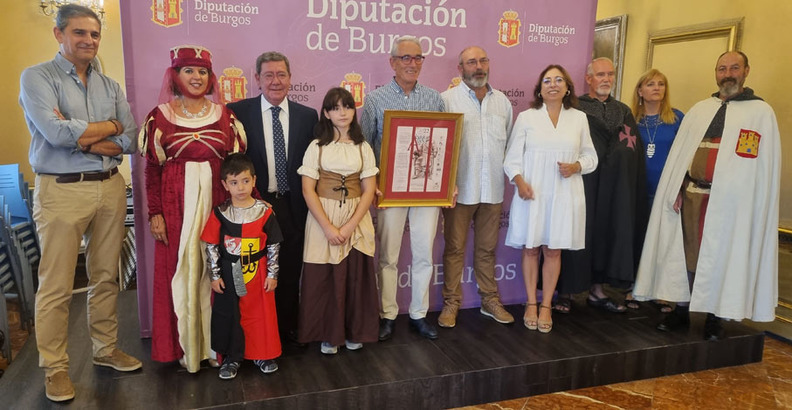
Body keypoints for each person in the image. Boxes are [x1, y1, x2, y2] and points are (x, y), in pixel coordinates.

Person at [18, 4, 140, 402]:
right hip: (62, 190)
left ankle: (105, 350)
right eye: (79, 33)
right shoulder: (37, 77)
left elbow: (131, 138)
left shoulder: (110, 86)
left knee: (106, 276)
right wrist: (106, 129)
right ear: (59, 34)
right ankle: (54, 368)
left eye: (94, 34)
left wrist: (84, 134)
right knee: (56, 284)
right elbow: (53, 133)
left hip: (109, 187)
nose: (88, 40)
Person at [634, 51, 780, 340]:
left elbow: (760, 167)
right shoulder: (701, 110)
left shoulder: (760, 113)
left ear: (746, 71)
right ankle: (681, 308)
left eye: (734, 68)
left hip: (730, 204)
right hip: (692, 196)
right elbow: (681, 157)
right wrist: (677, 186)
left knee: (721, 257)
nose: (727, 74)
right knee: (686, 253)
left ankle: (714, 316)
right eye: (722, 68)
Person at [139, 44, 247, 372]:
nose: (196, 77)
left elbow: (236, 167)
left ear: (210, 77)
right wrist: (155, 212)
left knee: (217, 274)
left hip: (216, 204)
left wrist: (246, 209)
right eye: (188, 70)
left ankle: (216, 349)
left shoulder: (226, 116)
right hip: (175, 208)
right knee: (181, 273)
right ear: (175, 75)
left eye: (201, 71)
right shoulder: (160, 116)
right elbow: (151, 170)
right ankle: (184, 349)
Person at [227, 52, 318, 343]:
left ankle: (286, 329)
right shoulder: (237, 112)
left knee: (289, 268)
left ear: (290, 78)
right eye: (268, 75)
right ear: (257, 79)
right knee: (253, 271)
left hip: (293, 204)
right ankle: (254, 331)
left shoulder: (308, 116)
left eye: (281, 75)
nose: (275, 81)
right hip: (254, 205)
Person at [361, 35, 445, 341]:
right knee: (388, 257)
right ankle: (387, 314)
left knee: (424, 253)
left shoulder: (435, 99)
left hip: (428, 190)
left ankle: (420, 314)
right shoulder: (375, 100)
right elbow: (366, 147)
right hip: (390, 191)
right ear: (392, 62)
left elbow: (445, 145)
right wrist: (372, 187)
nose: (412, 64)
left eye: (418, 58)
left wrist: (449, 184)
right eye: (406, 58)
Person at [503, 65, 597, 333]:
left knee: (553, 250)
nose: (553, 84)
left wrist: (577, 166)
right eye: (547, 80)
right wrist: (519, 182)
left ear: (567, 87)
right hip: (532, 193)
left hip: (564, 193)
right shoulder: (527, 117)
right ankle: (530, 302)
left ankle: (547, 305)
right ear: (539, 88)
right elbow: (512, 158)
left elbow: (591, 157)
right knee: (531, 248)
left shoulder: (579, 118)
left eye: (559, 80)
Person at [556, 57, 647, 314]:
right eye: (600, 75)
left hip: (612, 187)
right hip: (582, 182)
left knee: (605, 233)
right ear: (589, 79)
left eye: (610, 74)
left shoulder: (623, 111)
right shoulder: (575, 108)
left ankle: (597, 290)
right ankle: (564, 291)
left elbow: (631, 148)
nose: (606, 79)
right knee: (574, 233)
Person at [297, 87, 379, 354]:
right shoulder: (316, 147)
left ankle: (355, 330)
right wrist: (329, 227)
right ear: (326, 113)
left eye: (347, 106)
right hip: (323, 217)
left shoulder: (363, 147)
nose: (342, 113)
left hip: (356, 217)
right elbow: (308, 189)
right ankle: (328, 334)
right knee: (325, 278)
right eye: (335, 108)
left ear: (354, 111)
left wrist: (349, 226)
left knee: (355, 276)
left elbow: (369, 190)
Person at [437, 46, 515, 328]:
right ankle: (451, 303)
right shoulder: (446, 100)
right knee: (455, 248)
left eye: (483, 60)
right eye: (471, 62)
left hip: (492, 188)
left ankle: (489, 300)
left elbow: (508, 145)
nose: (478, 66)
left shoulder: (503, 103)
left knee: (487, 249)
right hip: (460, 189)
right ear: (460, 68)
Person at [201, 153, 283, 379]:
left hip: (259, 270)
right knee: (234, 314)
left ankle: (263, 354)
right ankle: (233, 357)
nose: (240, 187)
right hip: (233, 271)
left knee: (260, 314)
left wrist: (272, 273)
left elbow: (274, 244)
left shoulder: (265, 211)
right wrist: (215, 274)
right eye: (234, 182)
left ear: (254, 181)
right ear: (224, 185)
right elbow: (211, 245)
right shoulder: (220, 212)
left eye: (246, 181)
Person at [628, 69, 684, 312]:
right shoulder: (631, 120)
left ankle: (661, 291)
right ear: (640, 91)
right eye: (650, 84)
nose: (656, 88)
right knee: (638, 239)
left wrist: (681, 189)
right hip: (637, 189)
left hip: (666, 191)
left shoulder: (677, 119)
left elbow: (685, 157)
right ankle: (635, 288)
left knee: (663, 241)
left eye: (661, 84)